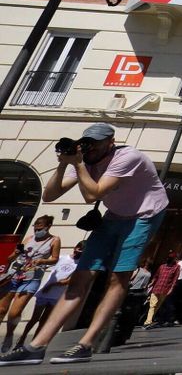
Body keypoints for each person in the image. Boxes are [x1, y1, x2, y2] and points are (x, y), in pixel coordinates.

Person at [0, 122, 169, 366]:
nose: (92, 147)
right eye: (88, 141)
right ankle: (36, 347)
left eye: (98, 142)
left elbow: (93, 194)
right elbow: (49, 196)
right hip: (114, 215)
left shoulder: (127, 156)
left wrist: (78, 164)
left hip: (144, 215)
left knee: (117, 277)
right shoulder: (85, 160)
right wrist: (64, 163)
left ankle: (86, 344)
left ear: (110, 142)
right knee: (81, 276)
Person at [0, 218, 59, 354]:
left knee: (15, 312)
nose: (37, 231)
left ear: (48, 226)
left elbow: (55, 259)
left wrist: (42, 260)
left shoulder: (54, 240)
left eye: (40, 228)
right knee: (1, 310)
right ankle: (8, 336)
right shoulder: (28, 239)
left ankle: (9, 334)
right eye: (35, 228)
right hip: (14, 274)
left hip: (32, 278)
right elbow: (9, 259)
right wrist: (15, 254)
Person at [14, 242, 80, 351]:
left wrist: (52, 285)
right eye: (78, 248)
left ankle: (33, 343)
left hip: (57, 294)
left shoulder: (80, 264)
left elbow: (67, 281)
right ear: (75, 247)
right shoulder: (62, 257)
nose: (79, 251)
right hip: (45, 292)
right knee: (35, 318)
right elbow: (47, 264)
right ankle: (21, 339)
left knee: (44, 320)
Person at [143, 252, 181, 328]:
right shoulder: (162, 266)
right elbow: (156, 276)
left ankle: (149, 320)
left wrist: (171, 289)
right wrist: (152, 282)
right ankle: (148, 321)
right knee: (153, 305)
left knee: (157, 305)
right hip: (158, 287)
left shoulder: (176, 267)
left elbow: (174, 280)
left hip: (165, 289)